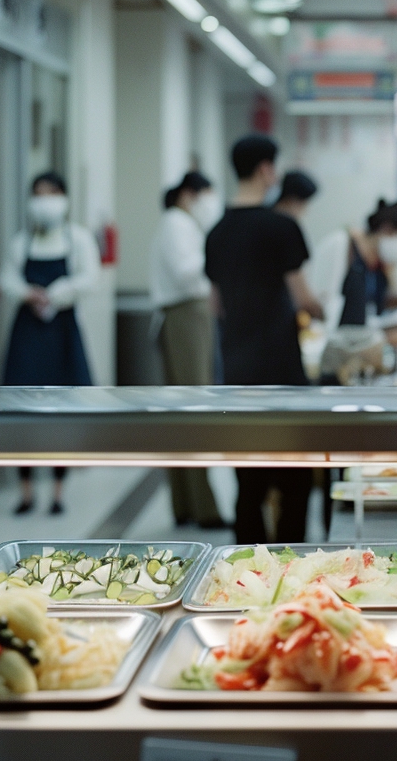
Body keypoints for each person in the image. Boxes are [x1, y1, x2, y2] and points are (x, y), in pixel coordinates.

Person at [205, 134, 324, 544]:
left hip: (237, 372)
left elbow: (215, 306)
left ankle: (243, 580)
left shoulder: (216, 232)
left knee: (249, 485)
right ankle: (292, 577)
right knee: (294, 483)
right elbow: (304, 299)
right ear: (265, 169)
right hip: (281, 372)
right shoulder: (282, 227)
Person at [0, 171, 100, 516]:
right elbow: (6, 278)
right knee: (21, 407)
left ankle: (58, 491)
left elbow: (90, 277)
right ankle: (25, 491)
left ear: (65, 197)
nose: (44, 200)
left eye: (52, 193)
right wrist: (27, 293)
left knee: (64, 409)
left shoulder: (79, 238)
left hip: (63, 332)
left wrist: (58, 293)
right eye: (37, 193)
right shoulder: (21, 241)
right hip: (27, 332)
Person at [148, 171, 224, 528]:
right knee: (195, 408)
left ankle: (187, 504)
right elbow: (185, 272)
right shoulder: (177, 223)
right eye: (207, 194)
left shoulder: (178, 223)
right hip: (185, 315)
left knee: (182, 410)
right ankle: (203, 507)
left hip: (188, 314)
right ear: (189, 194)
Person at [309, 200, 397, 327]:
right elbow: (322, 306)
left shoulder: (377, 266)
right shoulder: (342, 246)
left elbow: (368, 316)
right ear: (387, 229)